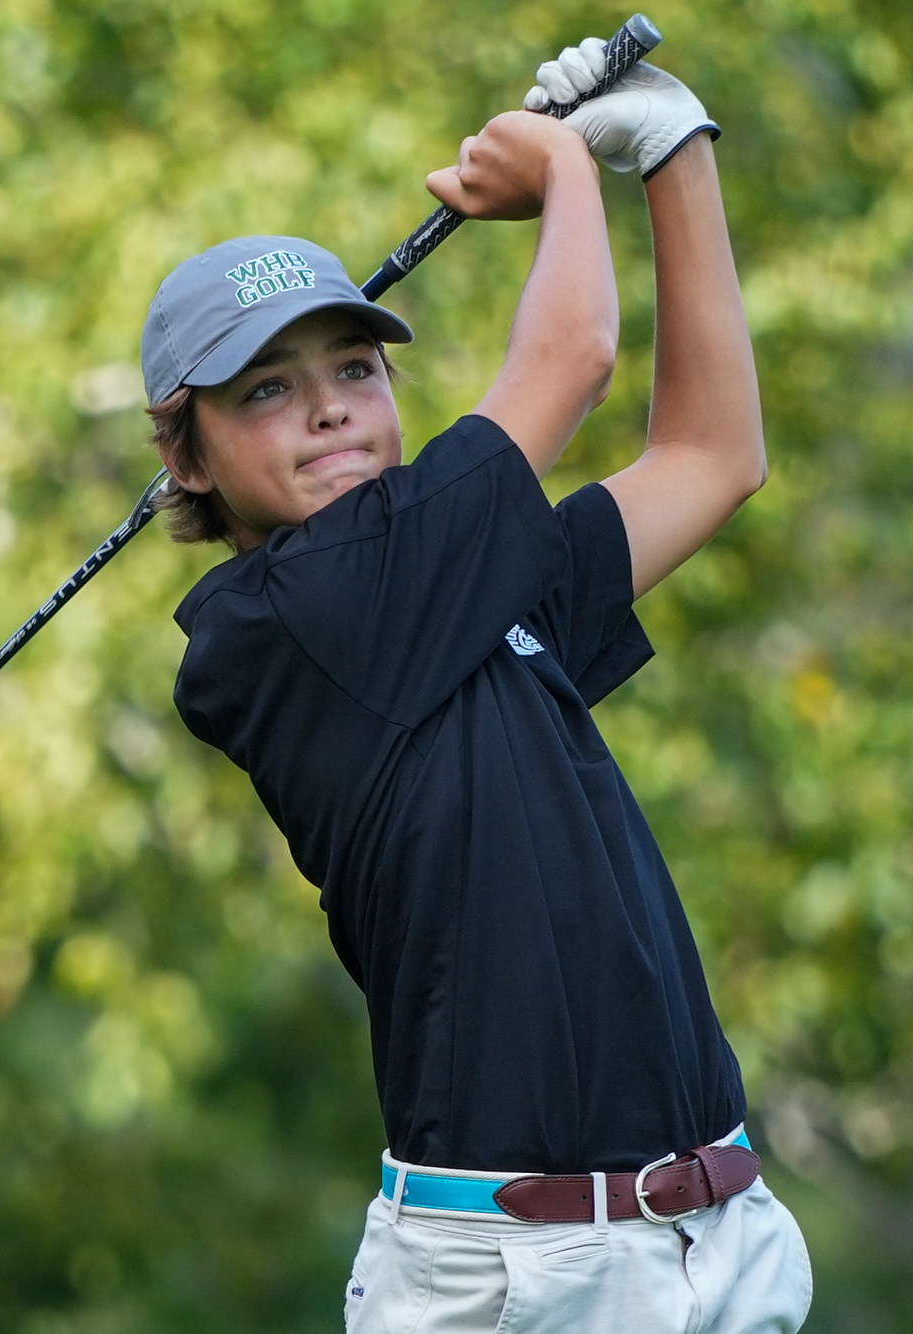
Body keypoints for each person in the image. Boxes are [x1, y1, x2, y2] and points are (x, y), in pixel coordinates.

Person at [143, 42, 811, 1333]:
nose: (328, 410)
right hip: (517, 1278)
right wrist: (562, 164)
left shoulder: (462, 586)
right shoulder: (278, 621)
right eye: (265, 390)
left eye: (354, 368)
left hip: (711, 1244)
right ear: (189, 455)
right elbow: (572, 356)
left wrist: (675, 151)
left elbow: (712, 453)